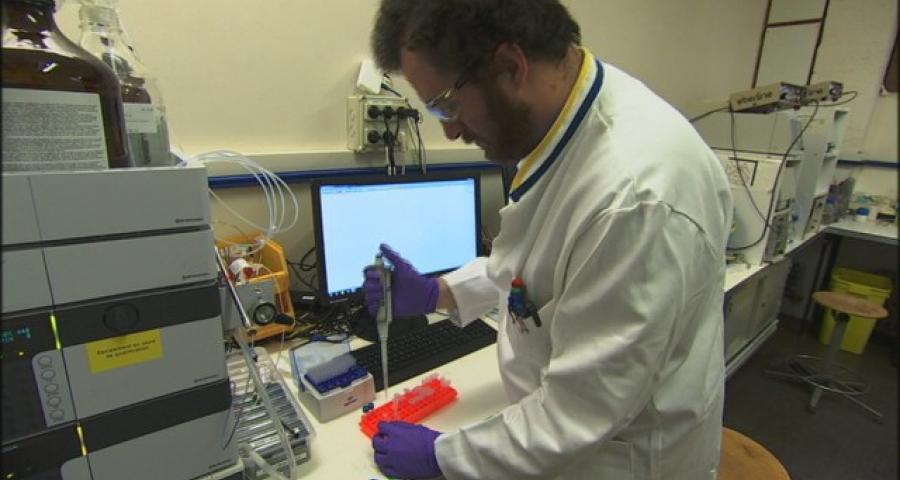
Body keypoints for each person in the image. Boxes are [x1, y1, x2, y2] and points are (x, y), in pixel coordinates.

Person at [362, 1, 734, 478]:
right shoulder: (563, 121)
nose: (450, 130)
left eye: (447, 104)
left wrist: (445, 457)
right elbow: (541, 269)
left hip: (622, 459)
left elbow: (579, 412)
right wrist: (443, 292)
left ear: (510, 66)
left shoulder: (635, 197)